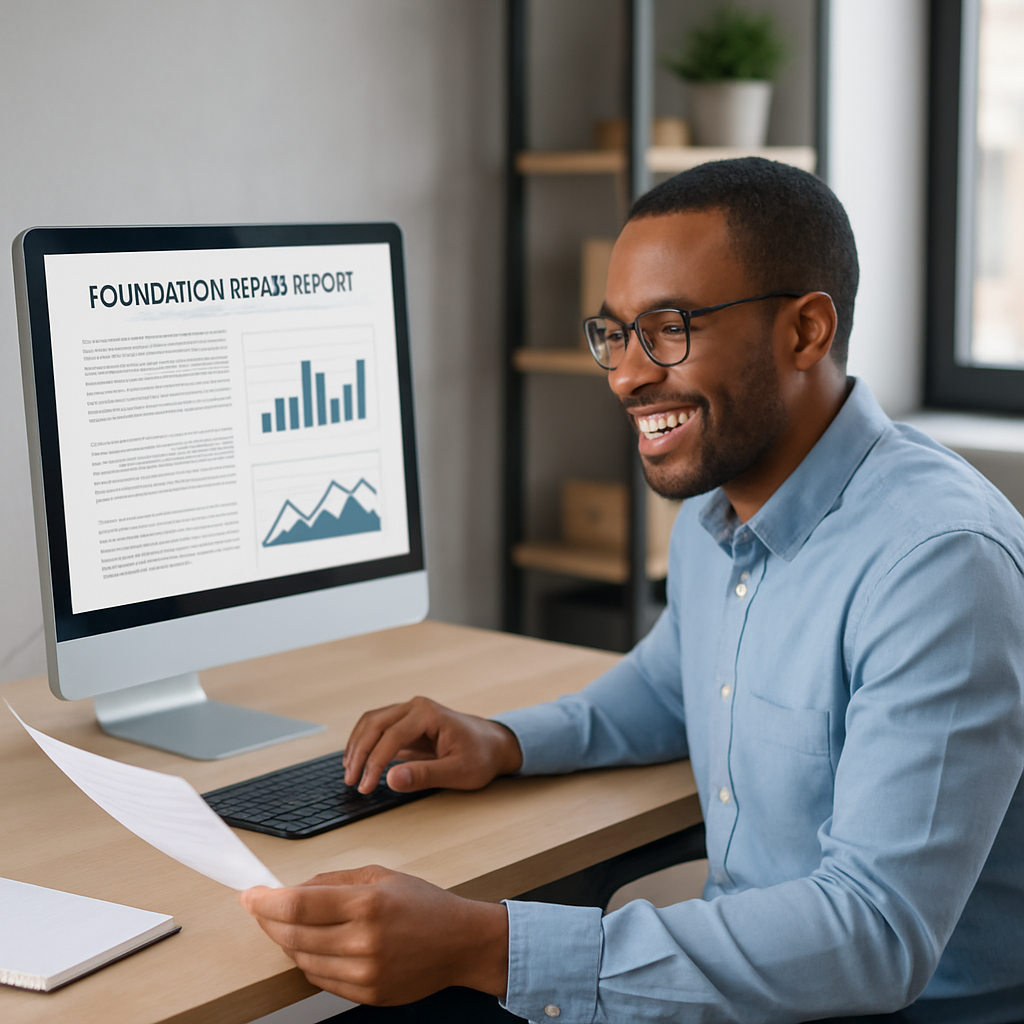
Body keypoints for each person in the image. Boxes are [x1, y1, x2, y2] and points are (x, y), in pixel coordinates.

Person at [240, 158, 1024, 1024]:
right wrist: (502, 741)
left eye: (669, 328)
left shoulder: (940, 566)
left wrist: (484, 943)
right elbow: (667, 685)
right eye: (615, 334)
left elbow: (874, 934)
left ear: (804, 332)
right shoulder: (719, 508)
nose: (624, 375)